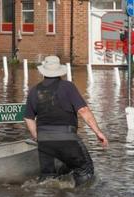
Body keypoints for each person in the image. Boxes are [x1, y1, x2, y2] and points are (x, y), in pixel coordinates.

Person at [23, 55, 108, 186]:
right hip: (67, 138)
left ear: (44, 72)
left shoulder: (34, 91)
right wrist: (98, 132)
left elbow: (28, 118)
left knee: (48, 179)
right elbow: (83, 111)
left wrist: (36, 136)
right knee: (85, 171)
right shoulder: (68, 87)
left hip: (44, 141)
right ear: (59, 72)